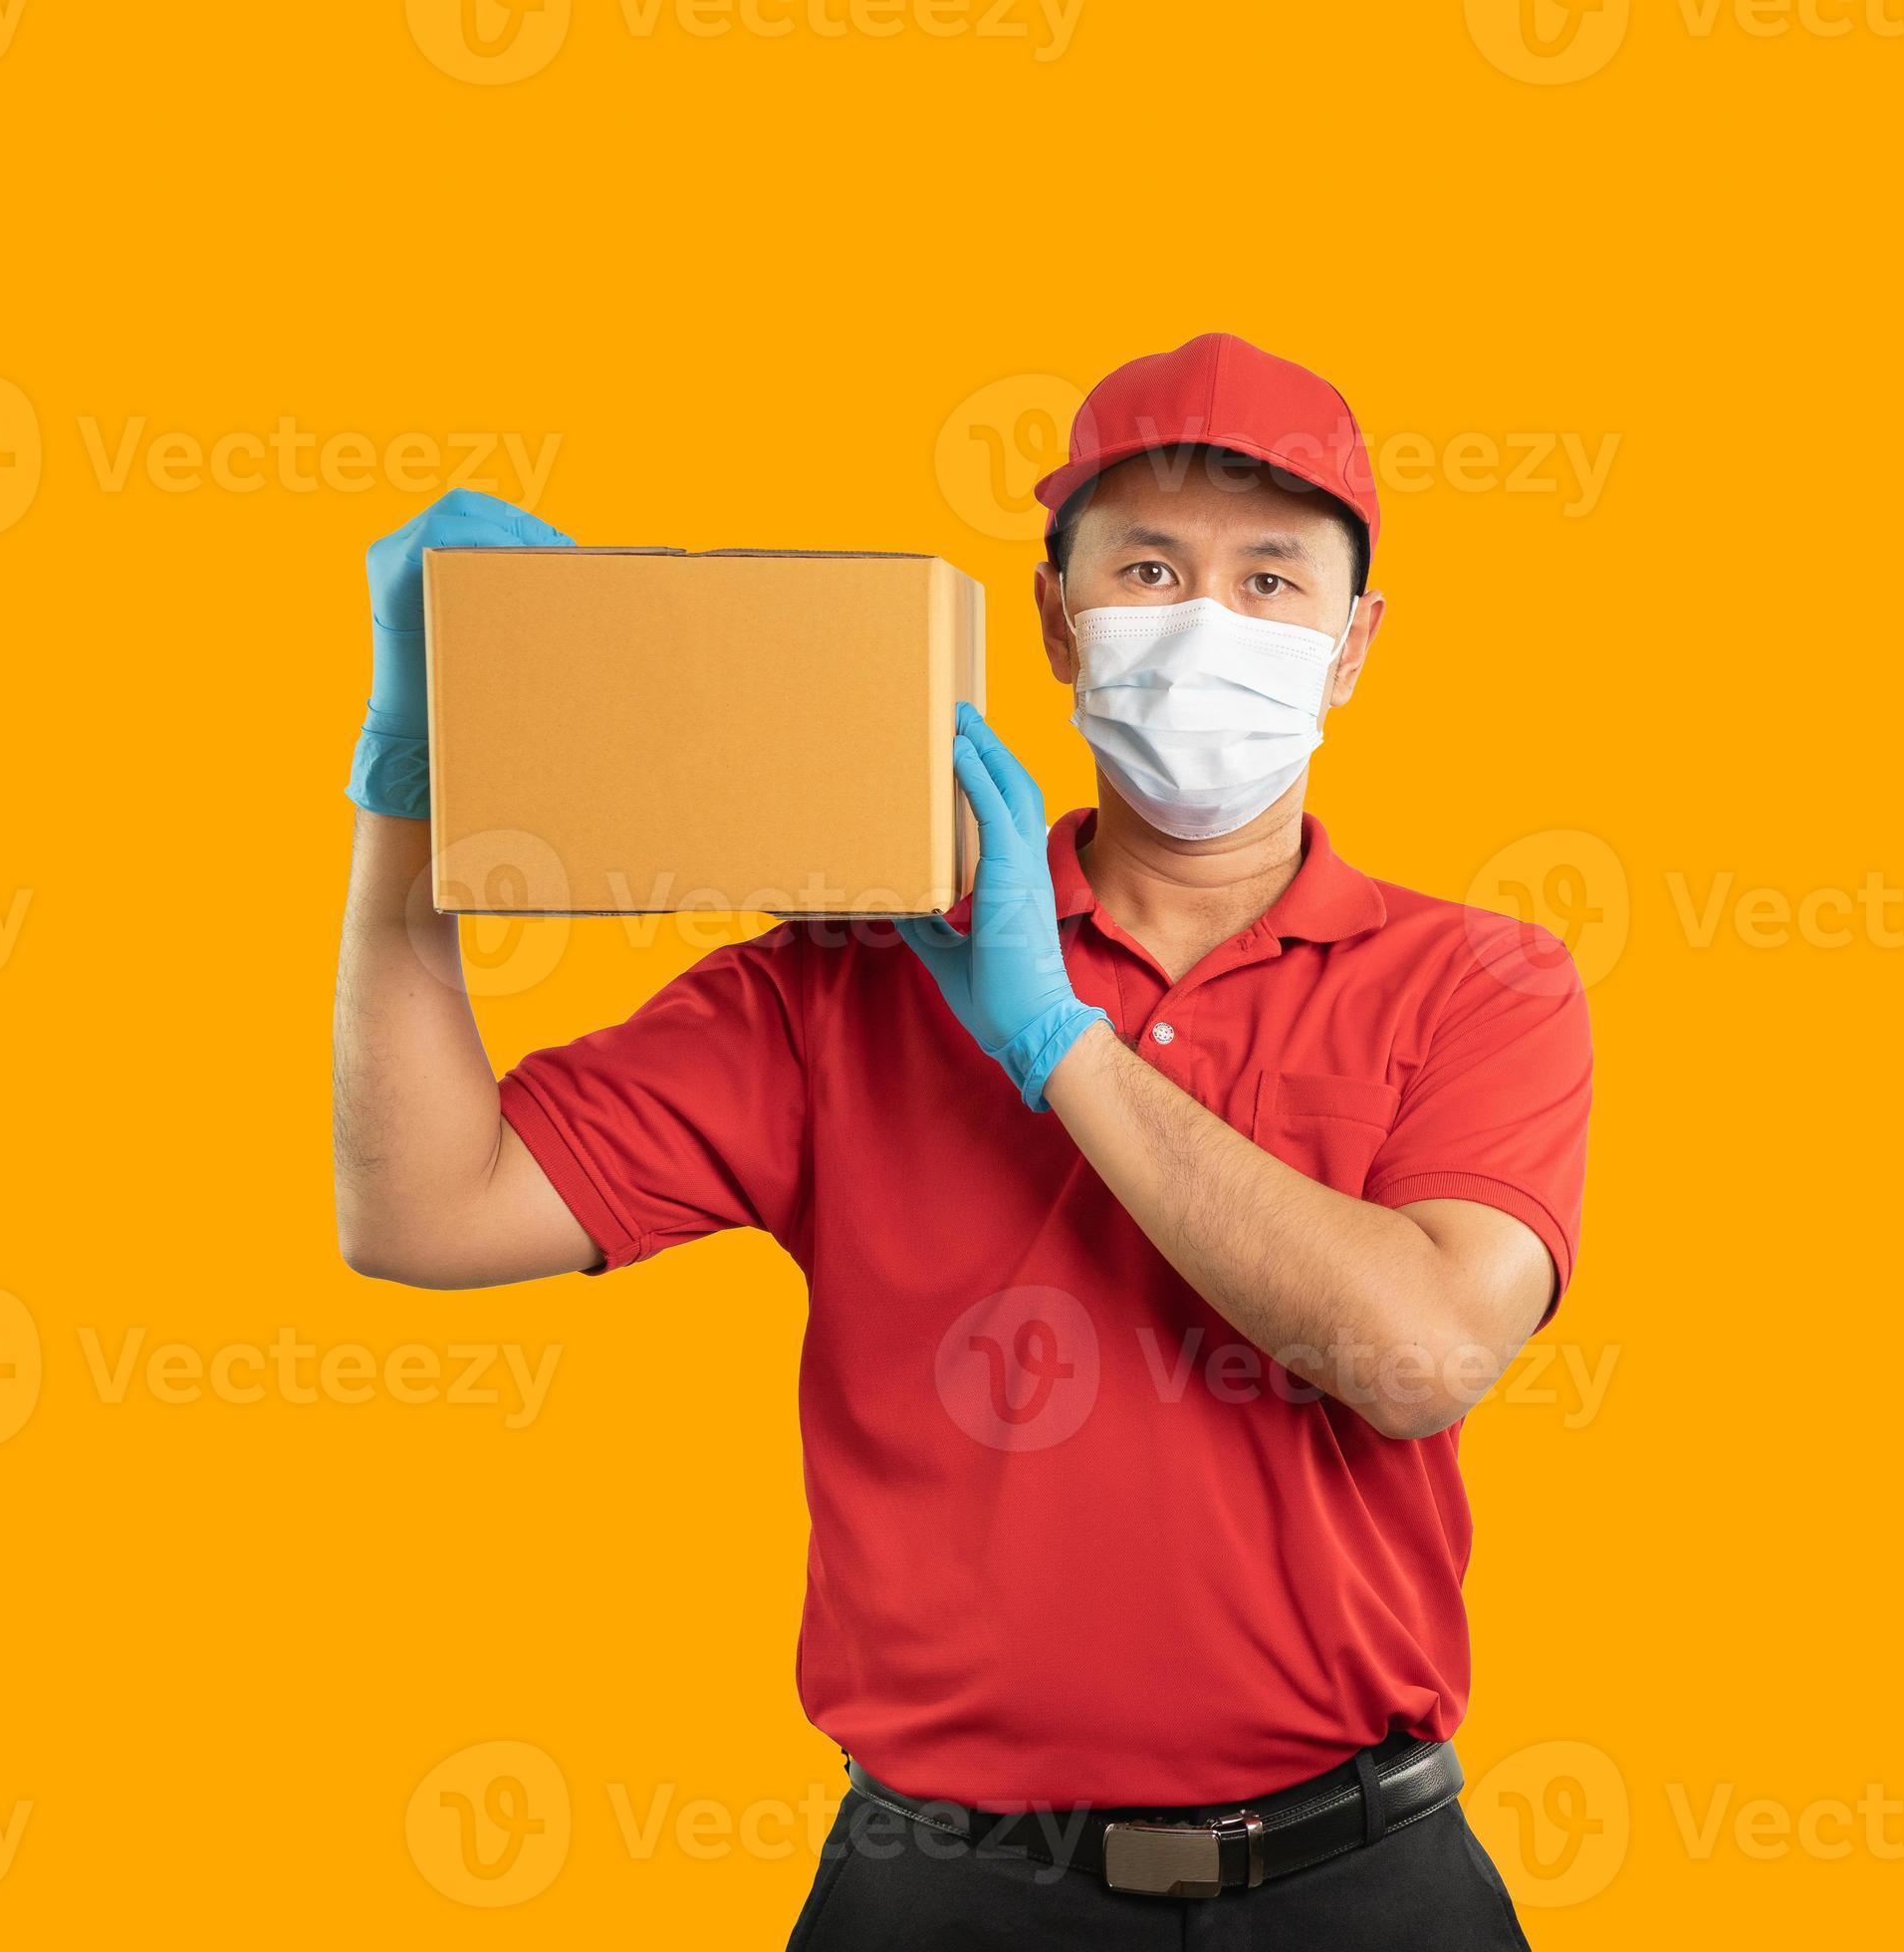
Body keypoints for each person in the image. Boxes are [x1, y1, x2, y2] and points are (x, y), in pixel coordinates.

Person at [332, 333, 1591, 1948]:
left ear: (1352, 648)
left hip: (1359, 1886)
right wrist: (409, 793)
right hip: (943, 1897)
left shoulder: (1479, 979)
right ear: (1057, 624)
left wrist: (1049, 1042)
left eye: (1269, 581)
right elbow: (425, 1212)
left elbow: (1418, 1357)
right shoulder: (845, 975)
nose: (1207, 621)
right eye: (1147, 566)